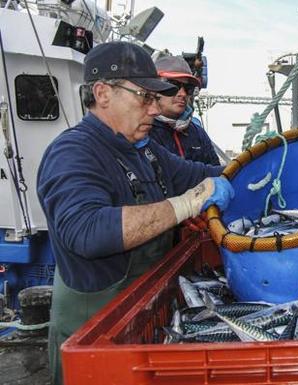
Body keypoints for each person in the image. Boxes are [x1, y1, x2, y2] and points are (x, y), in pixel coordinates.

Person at [37, 42, 234, 385]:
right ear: (102, 93)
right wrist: (186, 204)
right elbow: (86, 231)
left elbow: (202, 175)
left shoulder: (144, 152)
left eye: (155, 99)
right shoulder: (72, 152)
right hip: (94, 341)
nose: (154, 110)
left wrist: (273, 161)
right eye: (144, 97)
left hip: (143, 327)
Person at [150, 55, 221, 165]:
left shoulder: (198, 134)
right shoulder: (141, 131)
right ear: (154, 87)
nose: (182, 94)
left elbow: (217, 176)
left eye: (188, 88)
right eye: (174, 85)